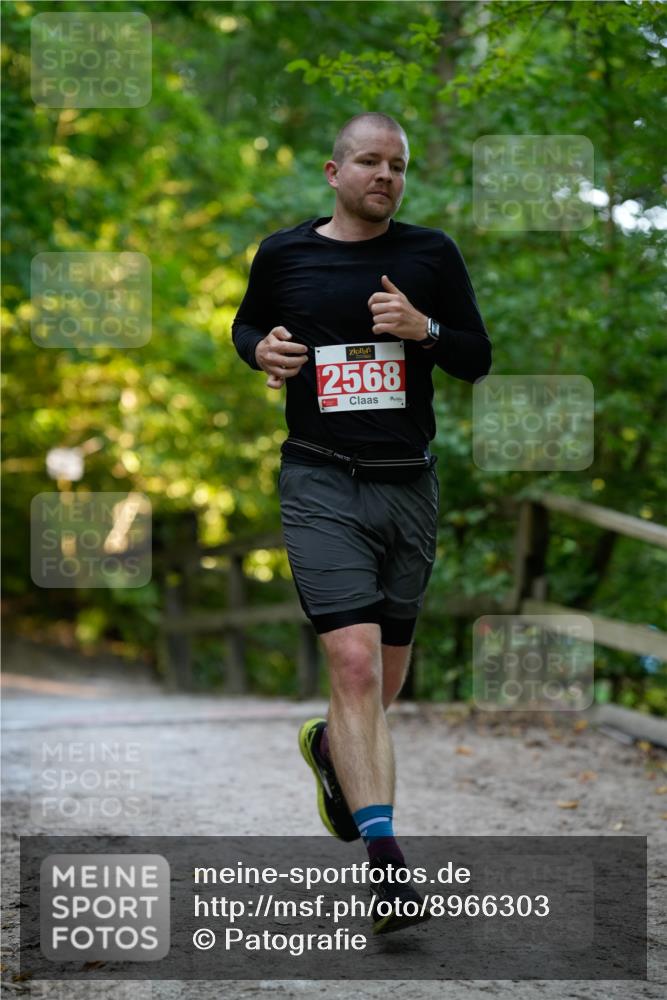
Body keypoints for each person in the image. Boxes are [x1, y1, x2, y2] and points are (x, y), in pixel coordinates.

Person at [232, 112, 491, 934]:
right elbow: (247, 325)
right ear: (333, 171)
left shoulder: (430, 255)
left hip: (406, 486)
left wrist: (428, 330)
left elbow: (476, 355)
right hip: (317, 477)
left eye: (398, 166)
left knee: (381, 685)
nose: (385, 175)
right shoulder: (284, 253)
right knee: (351, 667)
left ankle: (334, 758)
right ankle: (386, 874)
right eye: (370, 162)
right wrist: (258, 350)